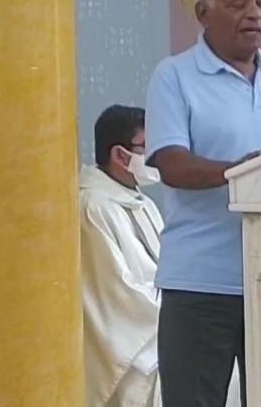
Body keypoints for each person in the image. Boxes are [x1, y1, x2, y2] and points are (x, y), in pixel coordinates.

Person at [145, 0, 261, 406]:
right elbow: (171, 163)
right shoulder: (174, 76)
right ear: (203, 13)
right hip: (201, 283)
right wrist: (242, 172)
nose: (254, 14)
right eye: (238, 4)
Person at [79, 105, 164, 406]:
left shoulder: (144, 203)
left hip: (162, 329)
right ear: (120, 155)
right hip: (136, 349)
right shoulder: (92, 206)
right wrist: (178, 313)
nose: (157, 156)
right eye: (148, 146)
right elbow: (114, 293)